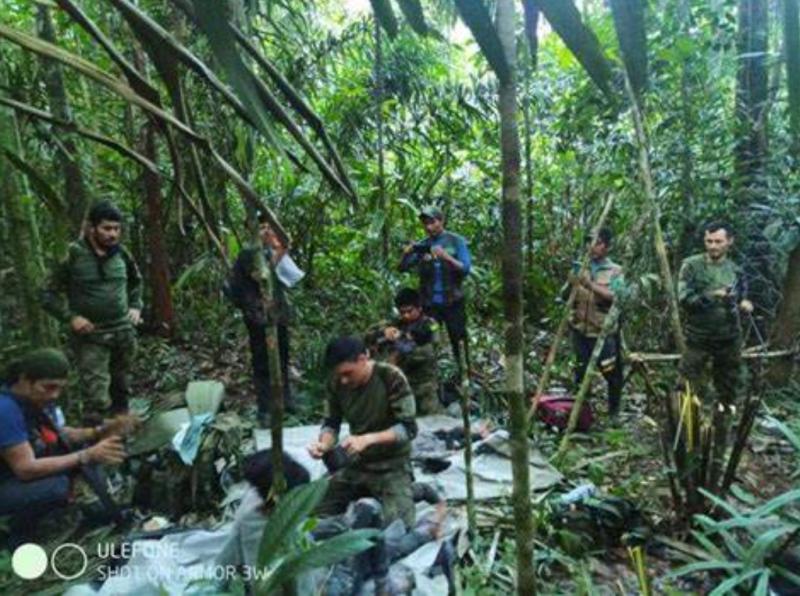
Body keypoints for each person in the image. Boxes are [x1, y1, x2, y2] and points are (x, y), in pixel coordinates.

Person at [0, 349, 130, 546]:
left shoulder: (35, 400)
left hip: (15, 473)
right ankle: (17, 533)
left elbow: (58, 434)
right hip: (8, 479)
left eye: (59, 388)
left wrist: (99, 431)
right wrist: (85, 455)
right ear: (25, 380)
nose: (55, 395)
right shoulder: (5, 410)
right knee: (57, 487)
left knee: (84, 456)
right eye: (49, 387)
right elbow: (25, 468)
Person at [41, 200, 142, 416]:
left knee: (122, 388)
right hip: (91, 336)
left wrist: (135, 306)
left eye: (116, 229)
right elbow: (46, 294)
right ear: (91, 228)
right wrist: (71, 317)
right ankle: (95, 434)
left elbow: (136, 282)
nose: (112, 234)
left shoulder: (122, 254)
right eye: (106, 228)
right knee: (96, 397)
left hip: (123, 333)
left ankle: (121, 431)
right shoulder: (73, 255)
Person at [307, 337, 417, 529]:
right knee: (310, 510)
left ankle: (416, 490)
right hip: (358, 464)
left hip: (392, 465)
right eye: (339, 375)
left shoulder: (390, 377)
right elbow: (331, 423)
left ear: (363, 359)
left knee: (399, 528)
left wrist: (368, 439)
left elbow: (408, 428)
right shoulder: (336, 382)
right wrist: (324, 444)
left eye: (348, 373)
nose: (344, 380)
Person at [226, 212, 304, 427]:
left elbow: (287, 276)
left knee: (282, 356)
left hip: (276, 314)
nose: (266, 231)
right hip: (258, 317)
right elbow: (261, 275)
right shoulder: (249, 253)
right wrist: (278, 250)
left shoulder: (269, 251)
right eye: (261, 228)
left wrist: (280, 248)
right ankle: (265, 408)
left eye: (269, 227)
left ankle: (286, 400)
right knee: (262, 361)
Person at [677, 222, 752, 404]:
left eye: (718, 241)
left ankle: (723, 417)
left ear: (729, 241)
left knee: (728, 387)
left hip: (728, 337)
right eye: (709, 241)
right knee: (686, 385)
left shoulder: (735, 270)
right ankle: (686, 419)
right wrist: (712, 295)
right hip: (698, 337)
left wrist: (744, 304)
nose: (713, 246)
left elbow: (742, 297)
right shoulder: (691, 266)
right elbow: (684, 298)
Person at [399, 206, 472, 375]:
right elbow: (403, 267)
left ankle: (464, 374)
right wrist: (407, 253)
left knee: (458, 339)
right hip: (430, 305)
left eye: (432, 222)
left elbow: (465, 268)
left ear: (441, 221)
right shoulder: (423, 245)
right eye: (426, 223)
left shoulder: (455, 241)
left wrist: (446, 257)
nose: (429, 227)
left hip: (453, 303)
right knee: (427, 338)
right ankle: (429, 376)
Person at [569, 228, 625, 417]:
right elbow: (567, 295)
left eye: (598, 243)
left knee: (611, 373)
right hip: (580, 331)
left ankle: (613, 414)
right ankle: (582, 415)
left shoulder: (615, 271)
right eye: (589, 242)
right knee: (581, 373)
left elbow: (616, 296)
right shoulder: (581, 267)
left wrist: (589, 285)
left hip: (603, 332)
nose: (592, 246)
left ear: (607, 247)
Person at [365, 288, 443, 416]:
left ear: (419, 308)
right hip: (399, 386)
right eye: (402, 312)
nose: (406, 315)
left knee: (432, 421)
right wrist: (383, 332)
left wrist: (401, 353)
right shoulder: (395, 323)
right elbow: (367, 335)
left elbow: (431, 351)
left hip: (423, 386)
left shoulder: (430, 325)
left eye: (409, 311)